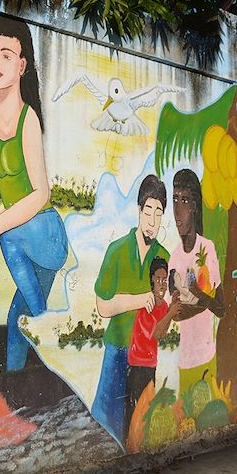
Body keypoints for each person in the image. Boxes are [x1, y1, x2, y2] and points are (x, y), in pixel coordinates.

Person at [0, 13, 67, 372]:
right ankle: (16, 380)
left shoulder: (29, 119)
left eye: (7, 54)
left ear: (22, 66)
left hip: (46, 234)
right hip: (20, 239)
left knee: (7, 237)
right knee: (14, 320)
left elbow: (39, 194)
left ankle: (45, 323)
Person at [91, 174, 169, 446]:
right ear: (139, 210)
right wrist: (139, 299)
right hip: (118, 350)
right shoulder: (117, 250)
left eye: (158, 213)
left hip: (146, 357)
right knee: (107, 428)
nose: (152, 219)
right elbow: (103, 306)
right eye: (148, 210)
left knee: (139, 429)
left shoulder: (163, 257)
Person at [168, 168, 225, 394]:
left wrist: (198, 296)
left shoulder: (207, 248)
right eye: (174, 199)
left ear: (194, 206)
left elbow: (221, 308)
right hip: (185, 363)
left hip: (208, 358)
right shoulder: (174, 258)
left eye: (184, 200)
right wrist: (205, 300)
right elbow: (178, 313)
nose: (177, 209)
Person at [124, 257, 181, 440]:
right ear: (151, 281)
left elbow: (162, 332)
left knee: (147, 408)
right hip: (138, 366)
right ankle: (131, 445)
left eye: (164, 280)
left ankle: (141, 442)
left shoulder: (163, 306)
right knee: (136, 411)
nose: (162, 284)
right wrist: (171, 313)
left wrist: (171, 311)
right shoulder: (146, 305)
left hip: (150, 364)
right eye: (158, 279)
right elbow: (156, 333)